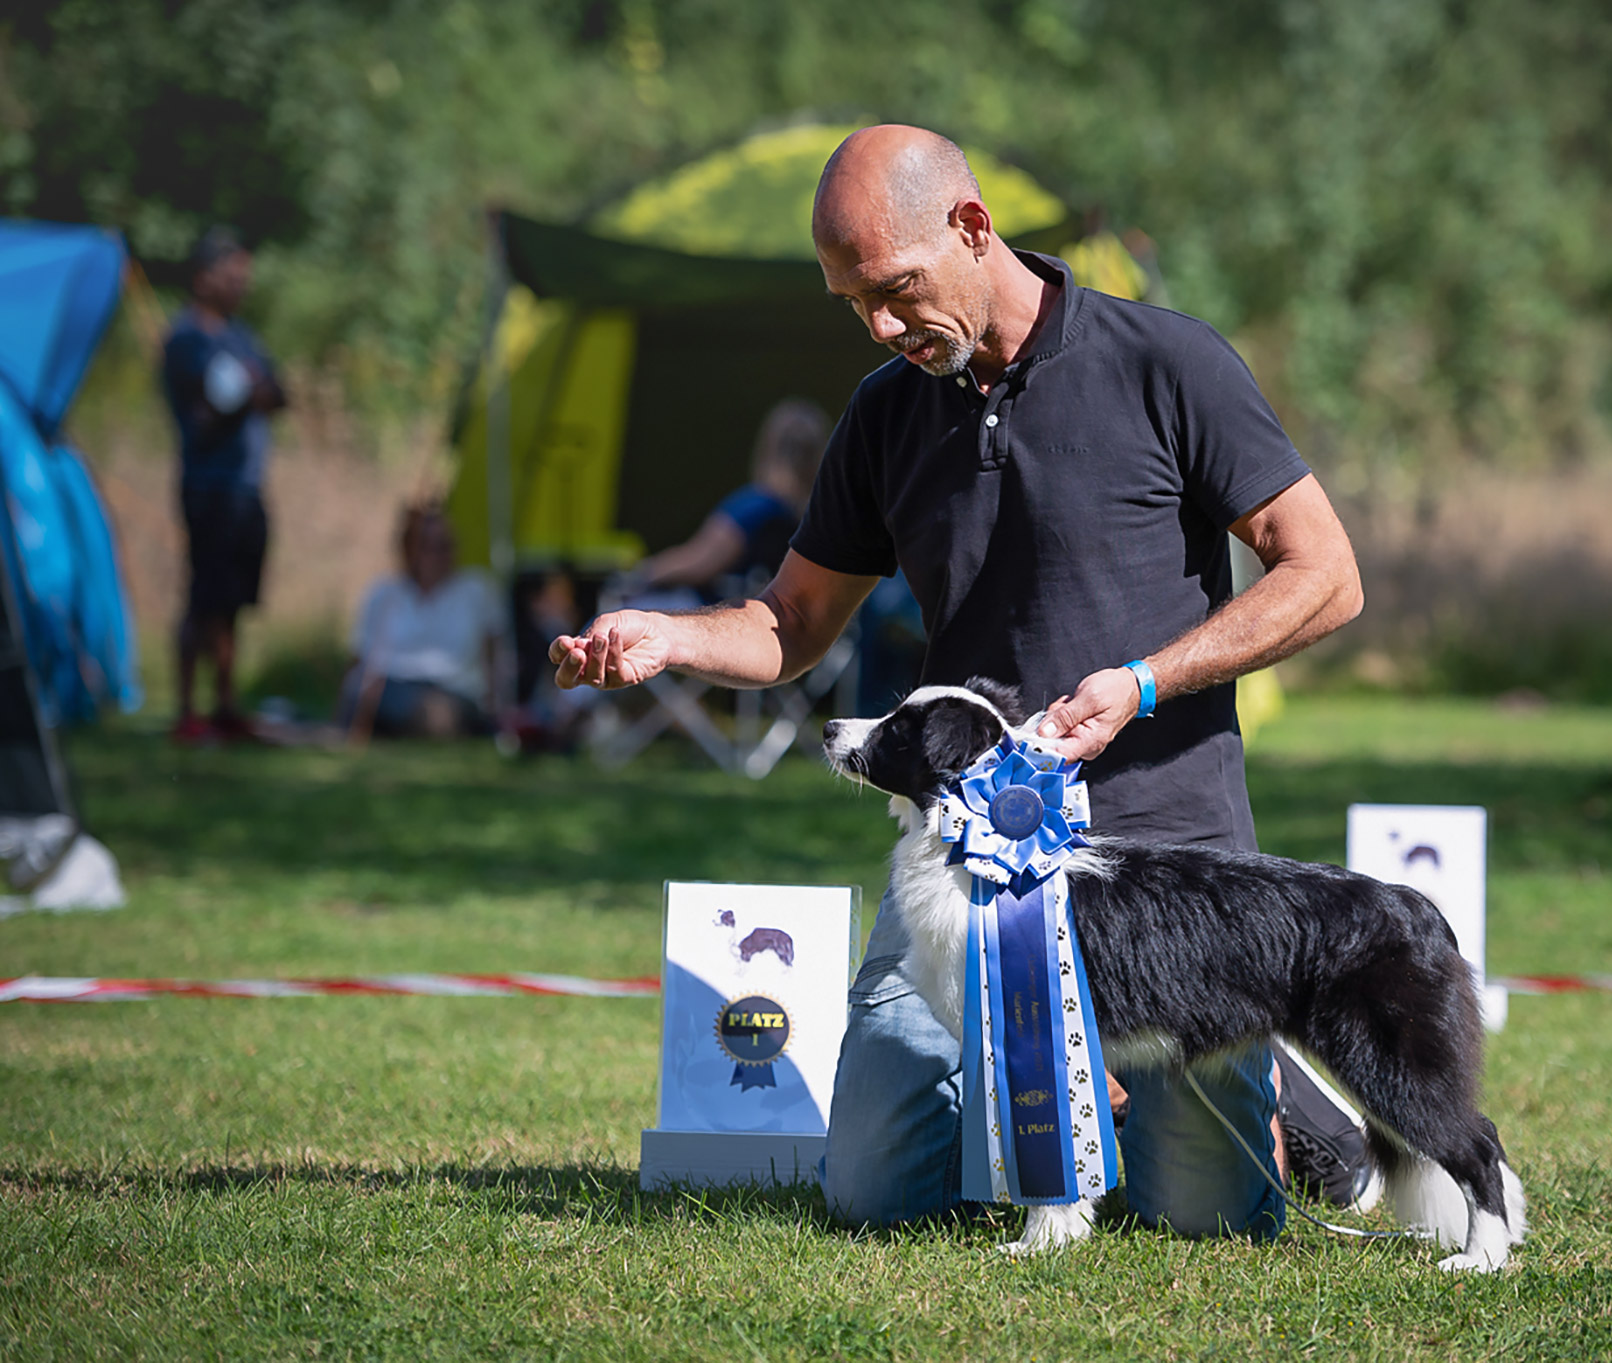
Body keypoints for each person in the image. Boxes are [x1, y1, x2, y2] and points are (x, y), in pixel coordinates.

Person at [551, 125, 1363, 1238]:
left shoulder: (1166, 361)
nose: (880, 328)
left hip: (1168, 855)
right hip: (960, 867)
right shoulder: (884, 412)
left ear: (972, 227)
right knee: (873, 1190)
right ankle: (1079, 1102)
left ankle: (1275, 1095)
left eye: (894, 290)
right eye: (852, 304)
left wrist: (1142, 680)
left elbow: (1324, 574)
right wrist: (667, 637)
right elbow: (790, 622)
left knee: (1207, 1222)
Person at [160, 227, 285, 743]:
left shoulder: (241, 337)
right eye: (232, 275)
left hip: (245, 486)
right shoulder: (186, 339)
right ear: (203, 276)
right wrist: (242, 396)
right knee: (203, 598)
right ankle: (188, 710)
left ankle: (226, 706)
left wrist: (250, 393)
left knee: (232, 602)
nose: (240, 286)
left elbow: (277, 392)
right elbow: (206, 412)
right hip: (208, 486)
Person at [616, 398, 832, 609]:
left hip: (710, 611)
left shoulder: (756, 506)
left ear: (769, 446)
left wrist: (640, 574)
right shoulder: (812, 518)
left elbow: (698, 563)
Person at [339, 505, 509, 740]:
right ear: (409, 548)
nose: (438, 555)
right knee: (367, 691)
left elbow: (496, 657)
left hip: (455, 694)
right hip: (391, 687)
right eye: (428, 546)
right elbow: (359, 660)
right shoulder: (384, 594)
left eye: (445, 546)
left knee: (435, 713)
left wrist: (497, 709)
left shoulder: (477, 590)